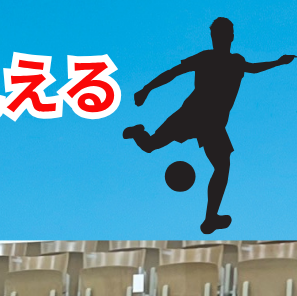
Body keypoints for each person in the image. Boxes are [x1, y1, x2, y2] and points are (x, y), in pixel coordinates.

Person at [123, 18, 294, 234]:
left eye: (222, 34)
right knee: (149, 145)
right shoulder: (205, 57)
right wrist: (146, 89)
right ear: (214, 37)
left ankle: (210, 218)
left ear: (230, 37)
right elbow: (173, 72)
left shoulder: (236, 61)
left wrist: (279, 62)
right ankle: (138, 132)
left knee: (222, 166)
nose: (218, 38)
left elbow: (254, 68)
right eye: (216, 35)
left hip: (212, 124)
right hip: (191, 115)